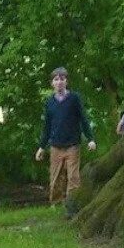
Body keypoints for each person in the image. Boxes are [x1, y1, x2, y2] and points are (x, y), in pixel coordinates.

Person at [34, 66, 95, 204]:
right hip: (56, 145)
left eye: (62, 79)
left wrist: (90, 139)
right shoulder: (50, 102)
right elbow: (47, 126)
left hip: (72, 144)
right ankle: (56, 204)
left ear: (66, 81)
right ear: (52, 83)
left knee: (73, 176)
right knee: (56, 177)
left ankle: (72, 203)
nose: (59, 82)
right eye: (56, 79)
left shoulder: (74, 98)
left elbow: (83, 119)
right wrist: (41, 147)